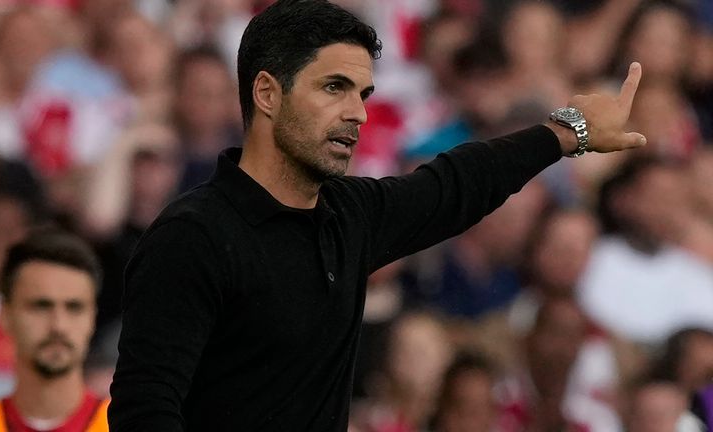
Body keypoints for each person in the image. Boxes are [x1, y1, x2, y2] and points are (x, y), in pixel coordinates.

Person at [107, 0, 646, 430]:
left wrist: (565, 131)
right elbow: (144, 410)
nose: (358, 113)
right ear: (267, 93)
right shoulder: (191, 236)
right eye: (334, 87)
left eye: (363, 93)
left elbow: (459, 182)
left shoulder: (351, 215)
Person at [0, 228, 109, 431]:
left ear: (93, 317)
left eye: (74, 308)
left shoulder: (127, 427)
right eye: (40, 306)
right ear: (4, 315)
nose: (58, 325)